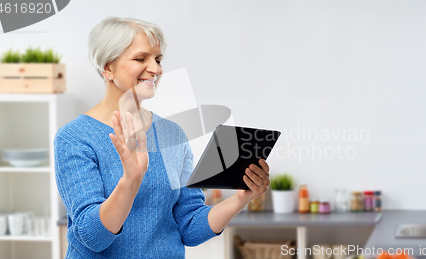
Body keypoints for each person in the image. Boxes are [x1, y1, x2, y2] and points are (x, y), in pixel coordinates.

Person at [54, 17, 271, 258]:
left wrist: (241, 198)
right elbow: (93, 237)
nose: (156, 69)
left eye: (158, 60)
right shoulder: (74, 138)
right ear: (107, 67)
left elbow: (189, 227)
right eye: (141, 59)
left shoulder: (172, 134)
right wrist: (130, 181)